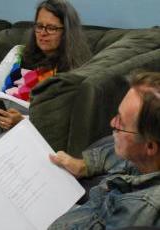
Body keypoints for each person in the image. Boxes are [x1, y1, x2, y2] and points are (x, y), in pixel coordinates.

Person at [0, 0, 91, 175]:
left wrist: (22, 122)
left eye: (52, 28)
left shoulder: (75, 68)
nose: (43, 33)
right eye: (39, 26)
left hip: (27, 124)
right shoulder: (18, 52)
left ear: (68, 31)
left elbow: (61, 118)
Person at [48, 71, 160, 229]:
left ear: (150, 146)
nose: (112, 122)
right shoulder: (145, 156)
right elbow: (116, 153)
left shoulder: (139, 213)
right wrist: (83, 166)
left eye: (122, 123)